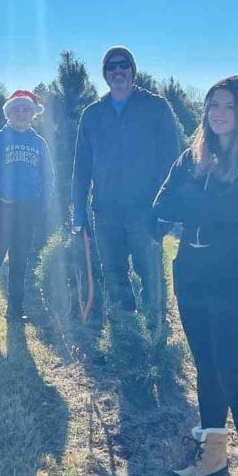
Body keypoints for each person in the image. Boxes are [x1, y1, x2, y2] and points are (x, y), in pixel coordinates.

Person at [151, 73, 238, 476]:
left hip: (228, 273)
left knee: (231, 372)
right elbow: (161, 205)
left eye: (227, 105)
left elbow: (237, 217)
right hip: (189, 268)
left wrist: (198, 205)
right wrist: (204, 206)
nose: (217, 113)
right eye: (211, 105)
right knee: (204, 364)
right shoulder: (192, 155)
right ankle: (212, 453)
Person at [71, 46, 182, 334]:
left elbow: (173, 160)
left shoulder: (155, 108)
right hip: (105, 210)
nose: (117, 71)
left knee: (150, 273)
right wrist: (79, 213)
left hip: (145, 209)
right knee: (114, 274)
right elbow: (81, 167)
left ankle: (156, 329)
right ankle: (126, 332)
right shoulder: (93, 114)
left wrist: (166, 209)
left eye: (123, 65)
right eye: (111, 67)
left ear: (133, 70)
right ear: (105, 74)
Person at [0, 90, 55, 325]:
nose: (21, 113)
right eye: (16, 109)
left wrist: (42, 207)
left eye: (26, 109)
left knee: (20, 259)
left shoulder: (39, 143)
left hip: (27, 210)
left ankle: (15, 310)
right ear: (8, 112)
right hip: (1, 208)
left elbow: (48, 178)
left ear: (33, 113)